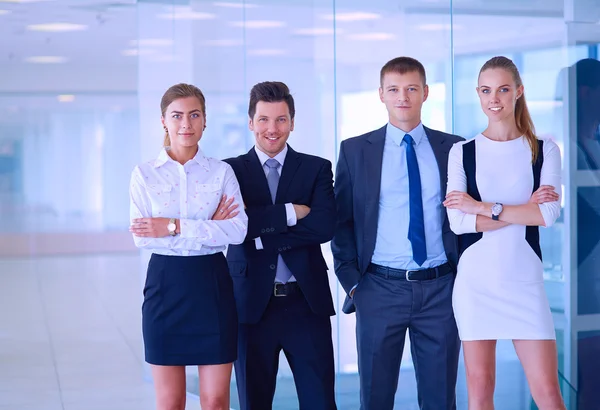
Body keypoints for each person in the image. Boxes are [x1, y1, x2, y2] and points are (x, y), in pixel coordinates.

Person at [331, 56, 464, 410]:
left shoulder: (454, 148)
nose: (402, 97)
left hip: (441, 290)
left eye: (410, 89)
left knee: (440, 400)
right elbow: (341, 221)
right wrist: (353, 283)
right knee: (375, 399)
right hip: (378, 290)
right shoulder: (356, 150)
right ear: (380, 95)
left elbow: (467, 217)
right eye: (393, 89)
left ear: (425, 93)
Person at [444, 56, 565, 409]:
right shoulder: (462, 152)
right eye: (485, 90)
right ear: (478, 95)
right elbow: (458, 223)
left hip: (525, 281)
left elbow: (547, 214)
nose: (493, 98)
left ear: (519, 92)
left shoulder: (544, 150)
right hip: (475, 284)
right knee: (480, 395)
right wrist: (521, 209)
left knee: (548, 395)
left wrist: (484, 207)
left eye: (502, 89)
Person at [128, 83, 248, 410]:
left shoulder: (222, 172)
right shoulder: (144, 175)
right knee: (170, 402)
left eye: (194, 115)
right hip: (165, 285)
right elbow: (143, 237)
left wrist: (171, 225)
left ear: (205, 121)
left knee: (215, 400)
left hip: (212, 284)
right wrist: (210, 224)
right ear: (164, 121)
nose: (186, 124)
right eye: (177, 115)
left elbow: (237, 231)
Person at [224, 81, 337, 410]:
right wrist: (289, 213)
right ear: (250, 122)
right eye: (263, 120)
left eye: (281, 119)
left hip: (306, 304)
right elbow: (234, 228)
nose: (272, 129)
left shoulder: (316, 168)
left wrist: (259, 231)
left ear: (292, 121)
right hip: (250, 308)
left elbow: (323, 227)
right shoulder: (229, 171)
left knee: (320, 402)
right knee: (253, 402)